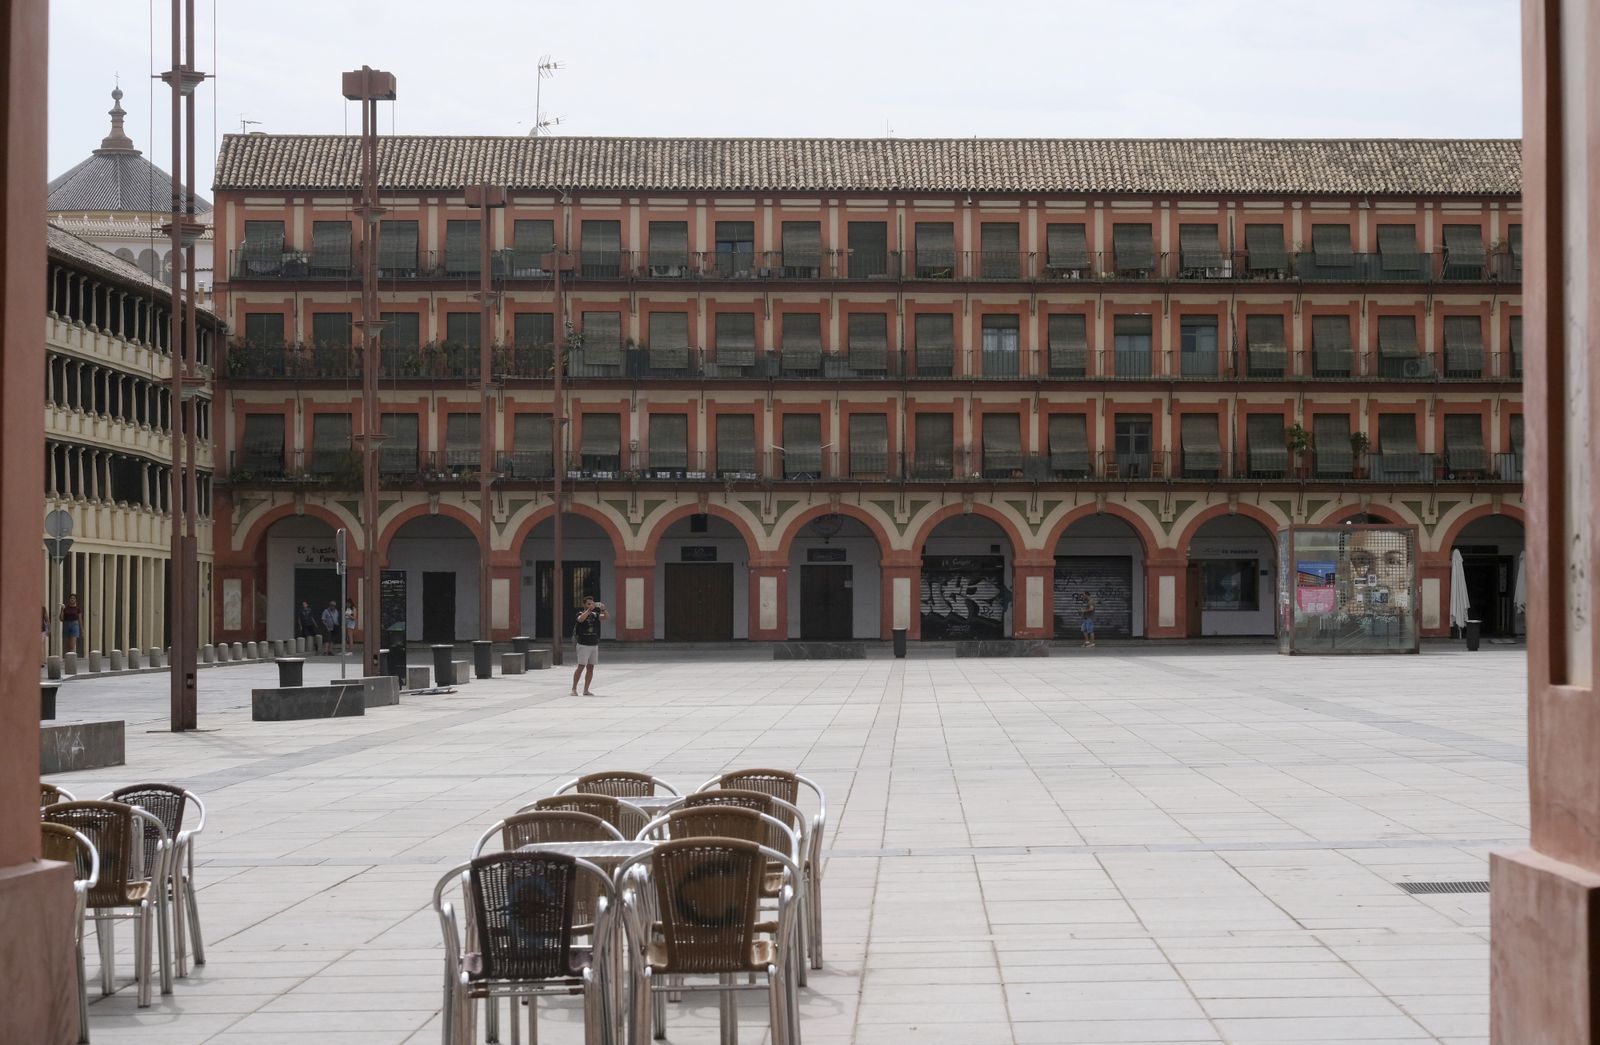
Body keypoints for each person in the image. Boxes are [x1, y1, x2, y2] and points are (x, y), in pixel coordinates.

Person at [570, 596, 607, 696]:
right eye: (588, 603)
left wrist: (603, 609)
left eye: (592, 603)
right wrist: (588, 610)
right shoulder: (580, 613)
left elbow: (605, 617)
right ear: (584, 605)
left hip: (593, 644)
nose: (591, 605)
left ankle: (586, 690)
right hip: (583, 644)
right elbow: (580, 620)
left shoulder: (595, 615)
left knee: (590, 667)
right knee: (581, 666)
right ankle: (574, 689)